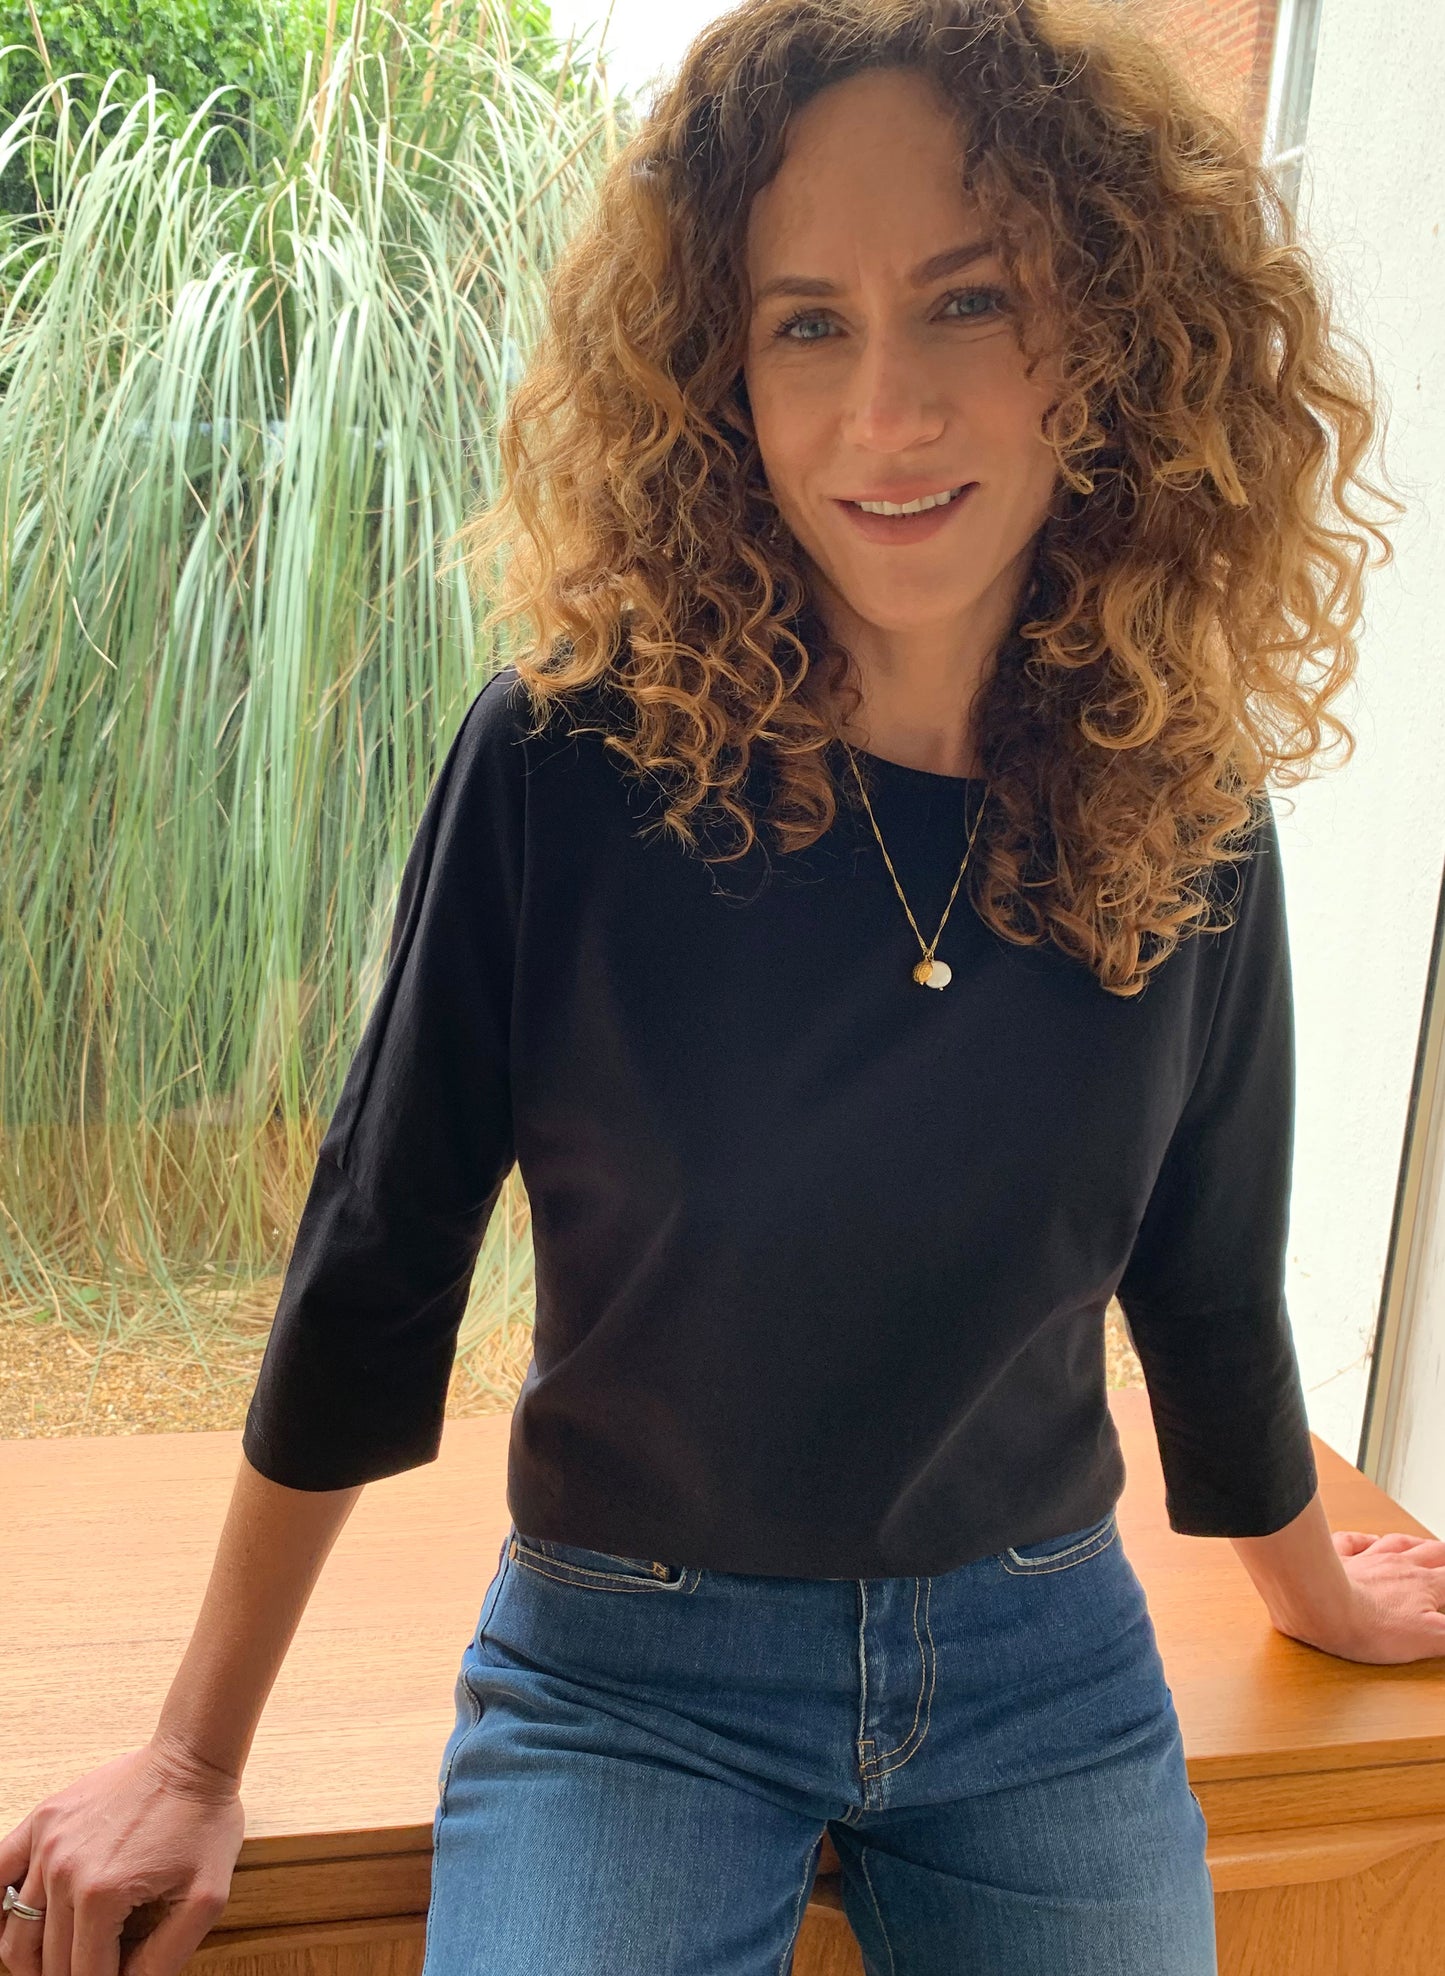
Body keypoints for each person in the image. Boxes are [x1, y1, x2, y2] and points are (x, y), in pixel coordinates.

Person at [5, 2, 1444, 1974]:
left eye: (968, 302)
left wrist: (1309, 1585)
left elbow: (1204, 1274)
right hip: (631, 1677)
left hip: (1043, 1663)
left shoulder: (1180, 798)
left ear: (1109, 334)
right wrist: (192, 1753)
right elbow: (378, 1258)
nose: (885, 411)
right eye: (806, 324)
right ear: (720, 378)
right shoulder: (567, 767)